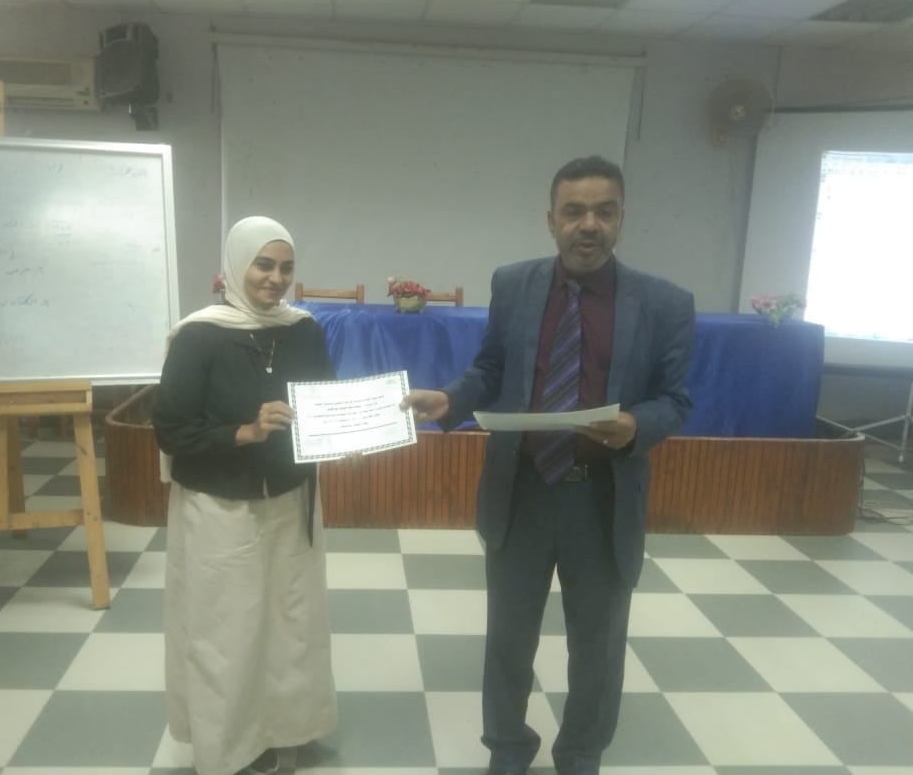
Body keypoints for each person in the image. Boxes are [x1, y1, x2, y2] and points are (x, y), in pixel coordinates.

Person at [403, 156, 695, 775]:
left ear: (621, 218)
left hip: (602, 498)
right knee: (509, 640)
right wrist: (452, 399)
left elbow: (674, 399)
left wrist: (635, 426)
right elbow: (491, 368)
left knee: (598, 646)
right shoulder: (514, 284)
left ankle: (581, 754)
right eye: (574, 211)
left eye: (603, 211)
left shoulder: (665, 303)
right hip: (522, 492)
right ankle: (508, 750)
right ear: (551, 220)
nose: (588, 224)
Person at [153, 216, 338, 775]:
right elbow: (173, 431)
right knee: (226, 630)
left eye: (286, 267)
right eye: (263, 264)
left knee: (290, 621)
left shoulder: (303, 329)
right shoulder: (199, 336)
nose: (275, 278)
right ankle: (231, 746)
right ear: (237, 265)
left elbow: (323, 401)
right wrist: (247, 431)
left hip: (289, 498)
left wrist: (348, 431)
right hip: (220, 506)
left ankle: (285, 724)